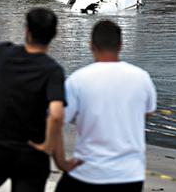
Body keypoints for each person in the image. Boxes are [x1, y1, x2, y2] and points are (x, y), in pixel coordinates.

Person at [0, 7, 65, 192]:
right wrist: (48, 147)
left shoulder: (6, 55)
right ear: (54, 34)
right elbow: (56, 115)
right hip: (33, 151)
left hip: (1, 144)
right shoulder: (53, 70)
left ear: (26, 31)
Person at [50, 19, 157, 192]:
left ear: (91, 45)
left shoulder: (78, 80)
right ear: (121, 45)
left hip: (88, 172)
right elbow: (148, 113)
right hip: (130, 175)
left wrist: (60, 161)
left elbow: (56, 119)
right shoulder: (142, 78)